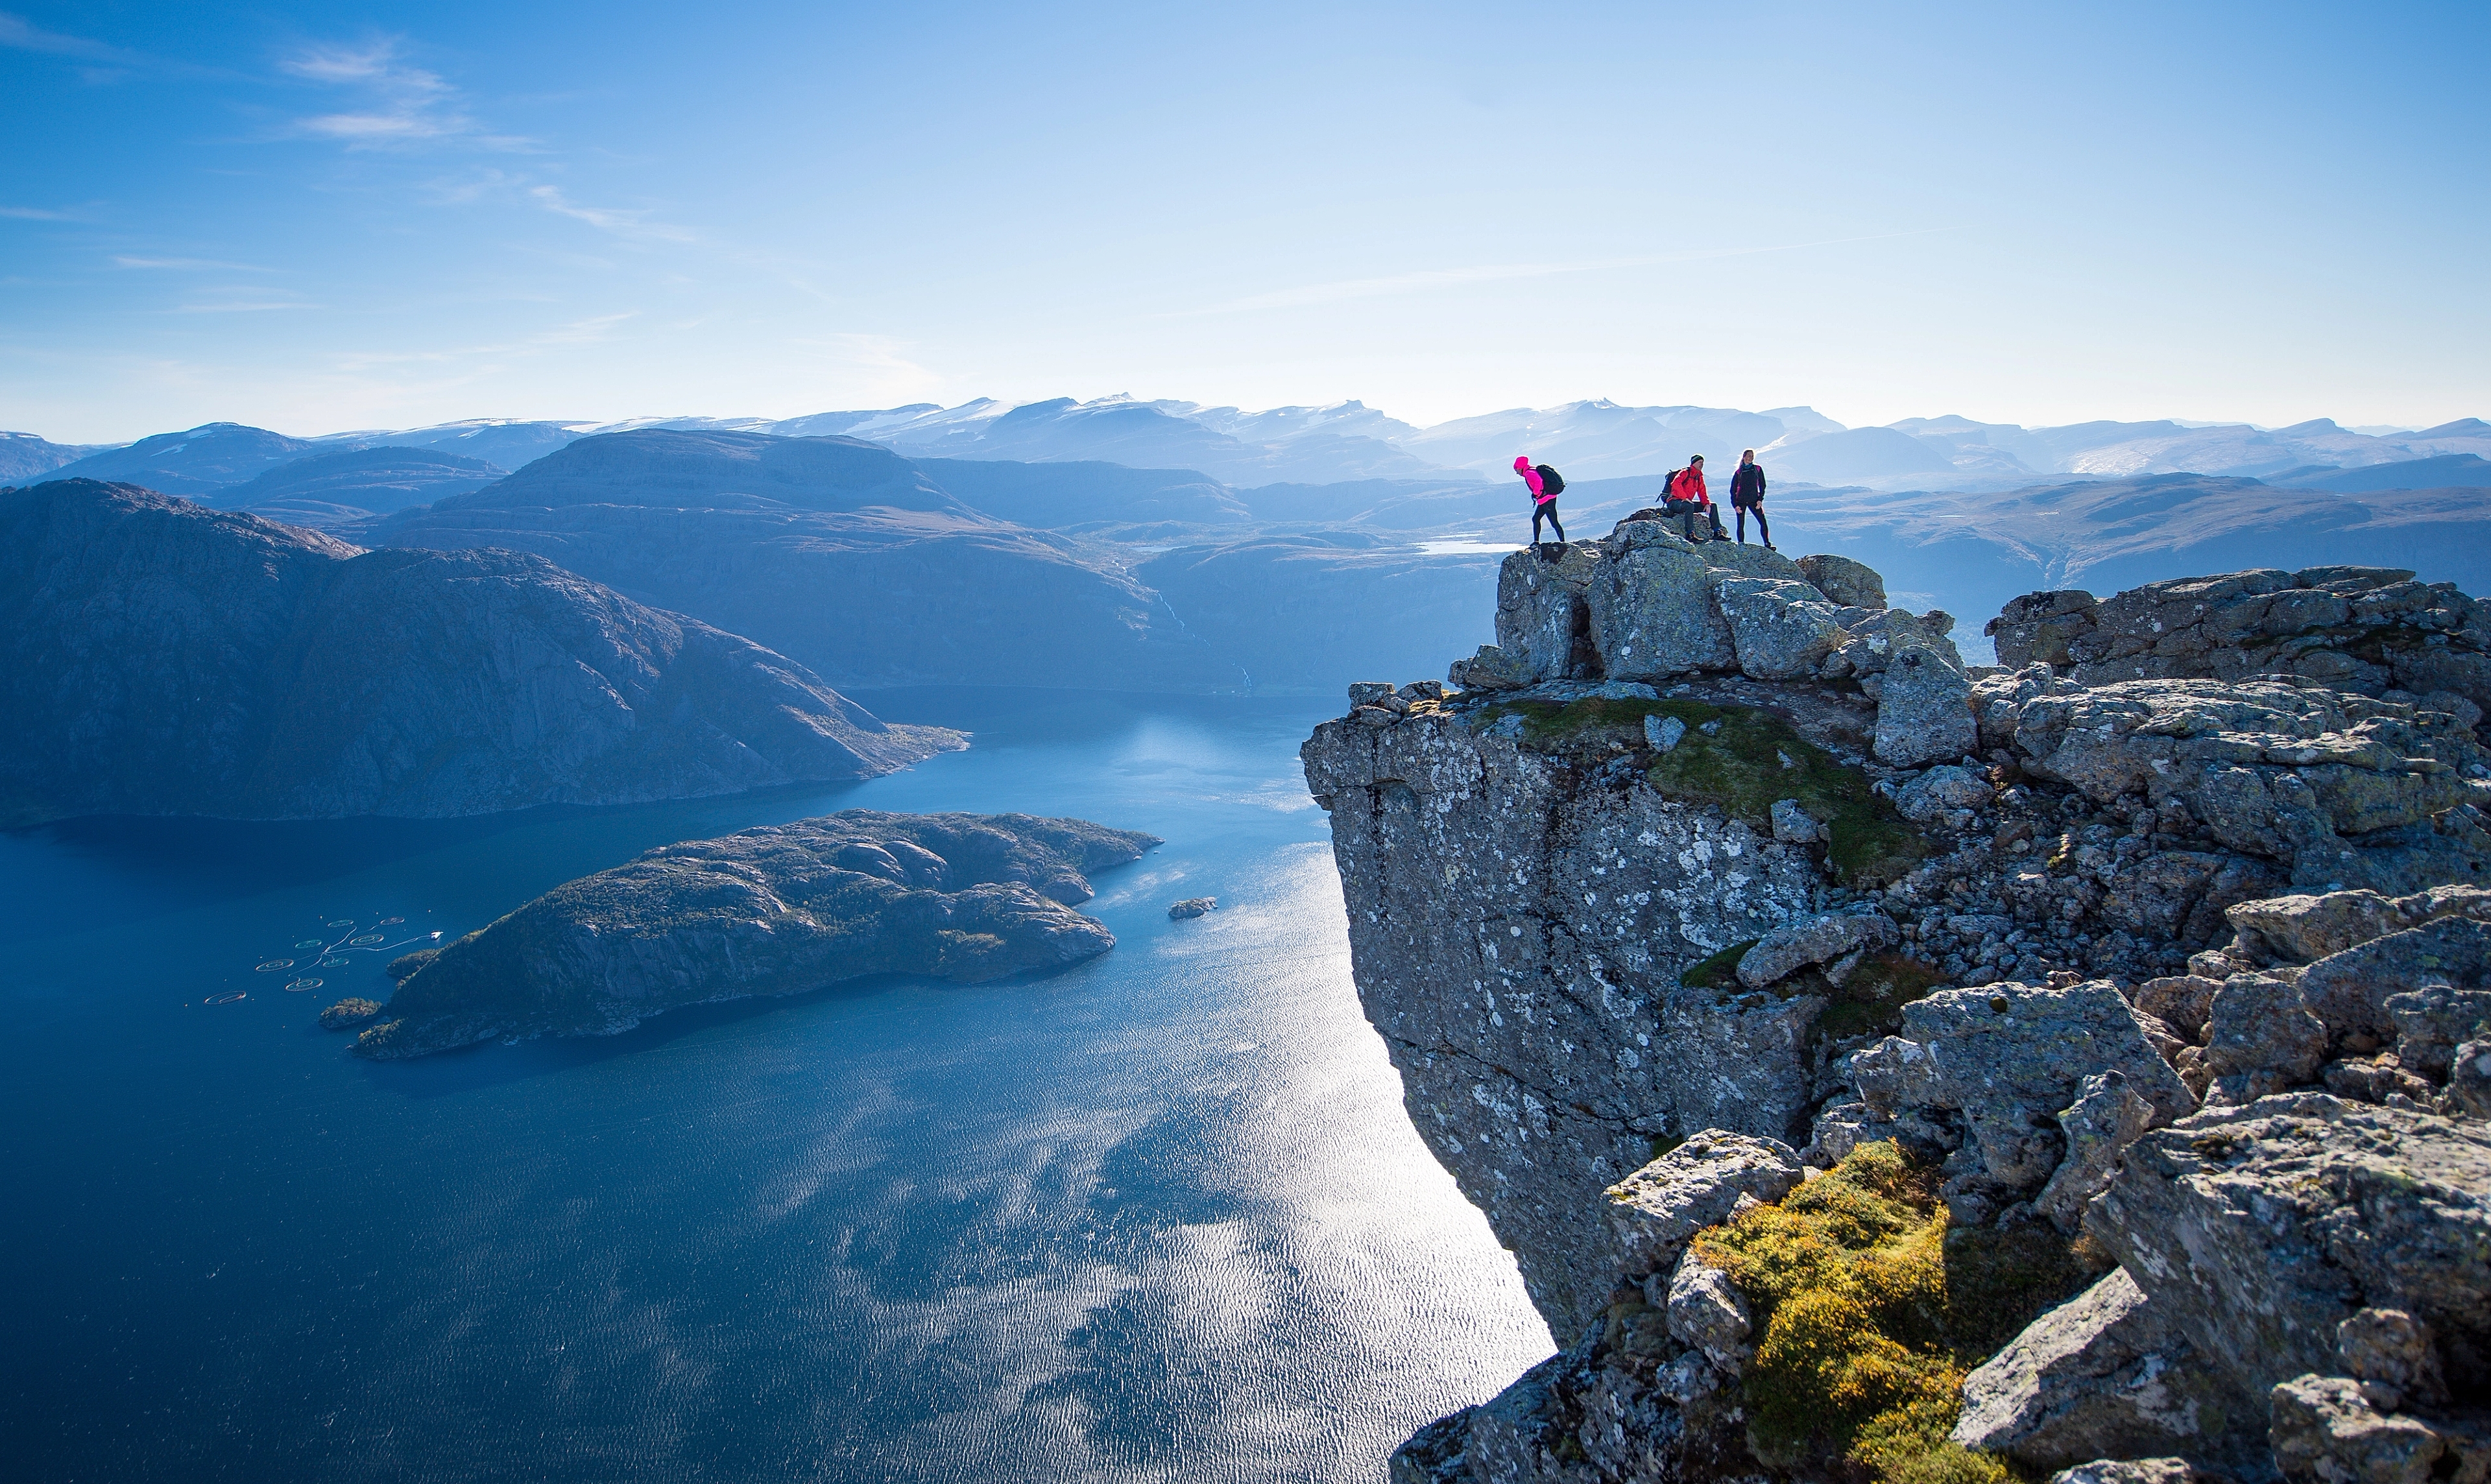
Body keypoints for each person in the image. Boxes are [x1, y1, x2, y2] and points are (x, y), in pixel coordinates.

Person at [1662, 455, 1724, 540]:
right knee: (1689, 505)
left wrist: (1706, 504)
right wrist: (1685, 498)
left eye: (1703, 463)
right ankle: (1690, 534)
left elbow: (1702, 492)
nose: (1702, 465)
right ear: (1694, 463)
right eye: (1700, 462)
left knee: (1713, 506)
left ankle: (1717, 532)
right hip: (1674, 502)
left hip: (1686, 503)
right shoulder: (1685, 473)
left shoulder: (1699, 477)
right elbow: (1675, 484)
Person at [1515, 455, 1566, 551]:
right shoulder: (1532, 469)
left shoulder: (1529, 473)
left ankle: (1563, 543)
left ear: (1520, 468)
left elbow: (1539, 481)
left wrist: (1536, 493)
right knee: (1536, 518)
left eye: (1517, 470)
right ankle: (1537, 542)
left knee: (1553, 521)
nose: (1517, 473)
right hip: (1546, 498)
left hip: (1547, 499)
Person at [1730, 448, 1772, 548]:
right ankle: (1741, 544)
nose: (1751, 458)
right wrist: (1735, 505)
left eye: (1752, 456)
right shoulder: (1739, 472)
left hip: (1754, 501)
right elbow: (1733, 490)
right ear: (1744, 457)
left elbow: (1763, 485)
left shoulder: (1757, 469)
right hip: (1741, 501)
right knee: (1741, 524)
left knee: (1763, 522)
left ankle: (1767, 544)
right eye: (1749, 456)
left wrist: (1760, 500)